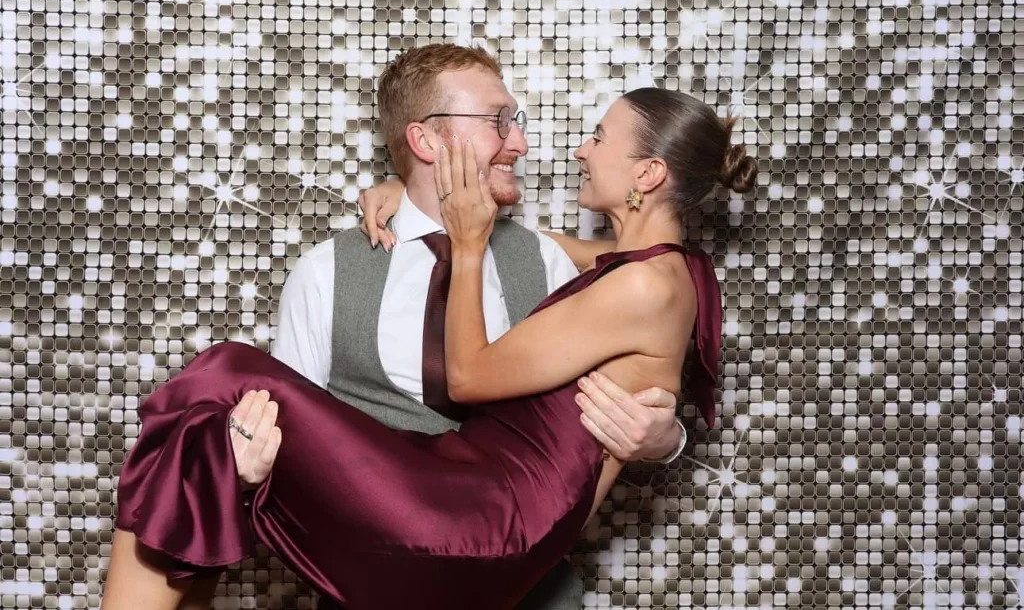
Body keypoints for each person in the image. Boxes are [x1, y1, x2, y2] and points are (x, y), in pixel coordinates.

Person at [99, 81, 757, 610]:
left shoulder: (610, 277)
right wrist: (416, 197)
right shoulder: (330, 269)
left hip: (487, 533)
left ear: (646, 172)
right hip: (404, 530)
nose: (536, 145)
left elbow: (478, 375)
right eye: (500, 122)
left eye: (594, 137)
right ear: (426, 141)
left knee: (223, 370)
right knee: (210, 413)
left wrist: (665, 437)